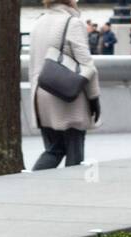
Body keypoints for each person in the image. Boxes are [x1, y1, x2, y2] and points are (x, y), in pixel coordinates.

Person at [29, 0, 99, 170]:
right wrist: (93, 98)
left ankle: (32, 184)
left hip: (41, 94)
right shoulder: (72, 23)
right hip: (67, 96)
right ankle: (72, 191)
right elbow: (87, 66)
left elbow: (33, 64)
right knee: (75, 149)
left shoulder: (38, 23)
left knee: (54, 149)